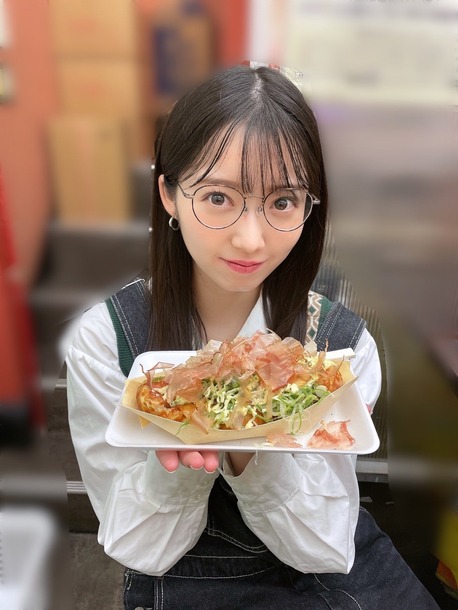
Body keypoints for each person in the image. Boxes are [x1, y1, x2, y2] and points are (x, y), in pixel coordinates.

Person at [66, 64, 440, 609]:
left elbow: (325, 547)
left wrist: (251, 449)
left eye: (282, 202)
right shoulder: (106, 339)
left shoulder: (341, 348)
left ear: (309, 207)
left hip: (325, 568)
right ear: (168, 193)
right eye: (218, 197)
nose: (250, 239)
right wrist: (187, 454)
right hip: (184, 573)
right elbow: (138, 545)